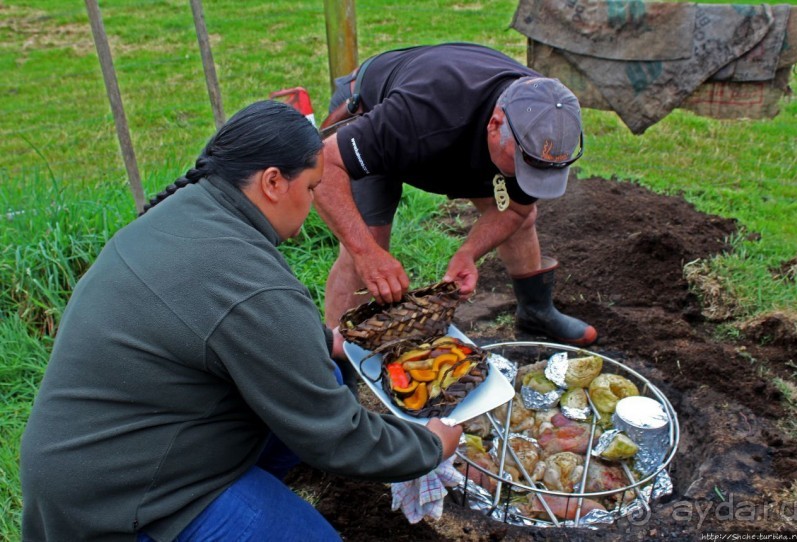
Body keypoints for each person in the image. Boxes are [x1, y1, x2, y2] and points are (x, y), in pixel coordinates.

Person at [20, 100, 462, 541]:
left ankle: (255, 487)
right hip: (124, 501)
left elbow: (223, 328)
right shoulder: (250, 282)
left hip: (90, 457)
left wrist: (327, 341)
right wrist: (430, 446)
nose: (312, 204)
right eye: (310, 188)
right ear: (272, 181)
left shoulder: (189, 209)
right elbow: (337, 436)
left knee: (325, 368)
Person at [316, 42, 597, 347]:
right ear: (495, 125)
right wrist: (365, 253)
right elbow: (325, 163)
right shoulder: (421, 113)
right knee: (368, 240)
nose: (528, 177)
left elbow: (515, 209)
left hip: (454, 134)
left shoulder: (540, 114)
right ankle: (334, 360)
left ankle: (536, 311)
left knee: (521, 214)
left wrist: (468, 253)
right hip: (375, 109)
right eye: (523, 164)